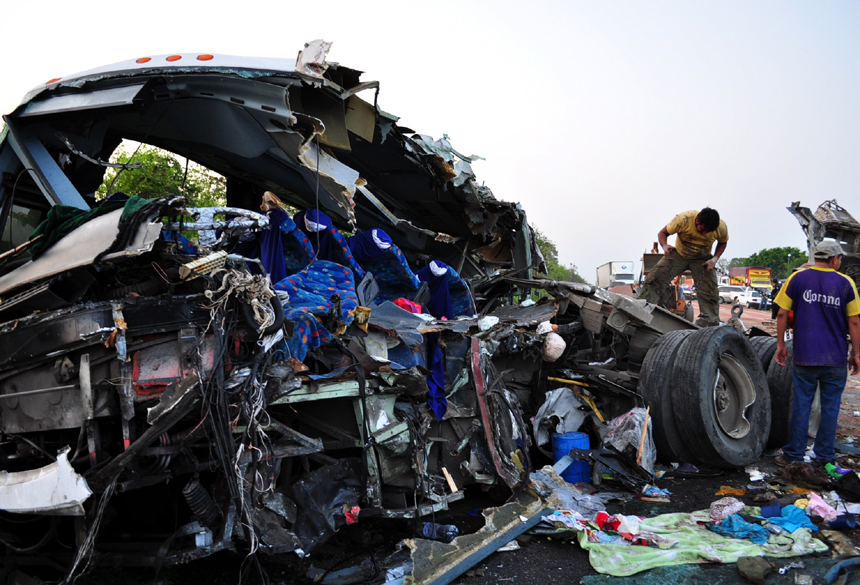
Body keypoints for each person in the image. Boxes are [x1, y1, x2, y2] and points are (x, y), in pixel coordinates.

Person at [773, 240, 860, 467]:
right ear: (833, 259)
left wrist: (780, 344)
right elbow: (854, 321)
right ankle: (823, 457)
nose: (840, 262)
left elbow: (782, 314)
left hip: (805, 356)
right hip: (835, 358)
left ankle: (793, 456)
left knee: (802, 405)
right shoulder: (845, 283)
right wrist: (856, 354)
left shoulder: (797, 278)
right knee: (831, 408)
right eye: (840, 258)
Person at [637, 207, 728, 327]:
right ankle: (641, 311)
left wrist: (714, 259)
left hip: (702, 259)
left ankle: (710, 322)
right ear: (697, 221)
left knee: (710, 289)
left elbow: (722, 242)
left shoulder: (720, 227)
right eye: (703, 229)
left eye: (709, 231)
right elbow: (662, 233)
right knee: (655, 278)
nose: (705, 233)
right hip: (679, 255)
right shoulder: (683, 220)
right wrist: (664, 246)